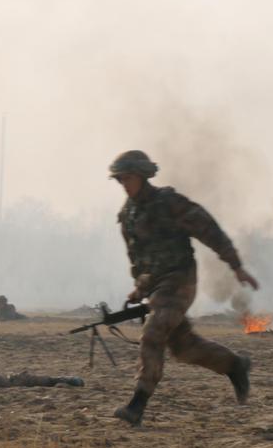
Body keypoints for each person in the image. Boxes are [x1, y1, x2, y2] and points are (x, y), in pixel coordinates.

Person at [108, 149, 259, 426]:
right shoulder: (128, 215)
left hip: (180, 280)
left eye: (127, 178)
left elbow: (208, 230)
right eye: (119, 180)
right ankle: (234, 365)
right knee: (184, 347)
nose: (124, 185)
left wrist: (235, 266)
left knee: (153, 332)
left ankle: (137, 404)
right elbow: (138, 259)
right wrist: (139, 288)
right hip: (157, 288)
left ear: (142, 176)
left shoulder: (169, 203)